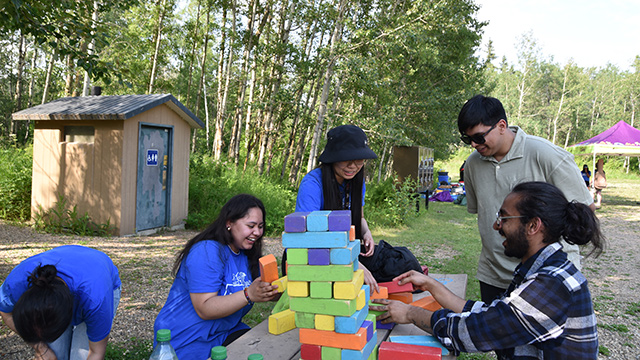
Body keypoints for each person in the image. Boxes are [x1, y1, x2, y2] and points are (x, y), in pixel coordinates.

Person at [372, 181, 604, 359]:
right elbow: (496, 314)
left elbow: (477, 331)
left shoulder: (552, 285)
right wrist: (432, 286)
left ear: (533, 225)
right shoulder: (544, 268)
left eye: (504, 218)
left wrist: (410, 313)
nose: (496, 225)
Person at [456, 95, 596, 307]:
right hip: (494, 274)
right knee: (496, 337)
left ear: (501, 125)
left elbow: (585, 210)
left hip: (546, 276)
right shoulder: (473, 164)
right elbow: (482, 212)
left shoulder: (545, 154)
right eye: (468, 140)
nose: (474, 144)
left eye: (479, 137)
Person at [153, 194, 279, 359]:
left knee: (267, 350)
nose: (257, 232)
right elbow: (204, 308)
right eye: (251, 225)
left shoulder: (246, 253)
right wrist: (249, 294)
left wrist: (274, 291)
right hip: (188, 339)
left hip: (223, 332)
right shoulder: (206, 251)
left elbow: (262, 291)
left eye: (261, 226)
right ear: (229, 223)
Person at [295, 124, 380, 290]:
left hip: (346, 250)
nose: (353, 166)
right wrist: (353, 264)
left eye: (359, 160)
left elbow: (359, 216)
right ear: (332, 157)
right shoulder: (312, 184)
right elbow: (308, 237)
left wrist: (366, 232)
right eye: (347, 159)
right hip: (316, 255)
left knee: (399, 262)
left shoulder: (357, 181)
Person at [0, 245, 121, 360]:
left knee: (80, 356)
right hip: (74, 264)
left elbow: (96, 353)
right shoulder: (17, 284)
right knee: (54, 352)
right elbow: (6, 313)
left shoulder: (96, 300)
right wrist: (40, 348)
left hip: (98, 276)